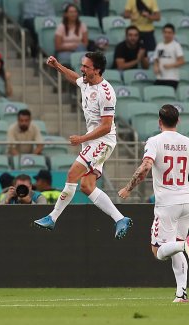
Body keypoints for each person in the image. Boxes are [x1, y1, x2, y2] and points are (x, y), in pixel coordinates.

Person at [33, 52, 133, 239]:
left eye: (86, 67)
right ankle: (120, 219)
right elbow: (75, 78)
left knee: (72, 174)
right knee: (87, 186)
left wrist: (81, 138)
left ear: (97, 70)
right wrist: (57, 66)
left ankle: (52, 217)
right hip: (92, 141)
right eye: (82, 65)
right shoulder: (86, 82)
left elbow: (105, 127)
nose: (82, 69)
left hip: (102, 141)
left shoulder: (106, 93)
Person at [118, 105, 189, 302]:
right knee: (175, 246)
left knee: (159, 252)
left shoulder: (154, 141)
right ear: (178, 121)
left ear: (159, 122)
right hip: (187, 200)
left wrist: (128, 188)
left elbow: (145, 167)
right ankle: (182, 293)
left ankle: (185, 246)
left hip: (167, 203)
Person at [153, 24, 184, 90]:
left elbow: (181, 61)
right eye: (165, 32)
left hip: (172, 78)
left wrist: (170, 65)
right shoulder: (160, 45)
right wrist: (156, 66)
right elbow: (157, 59)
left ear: (173, 34)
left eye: (169, 33)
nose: (167, 35)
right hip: (160, 77)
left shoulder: (176, 45)